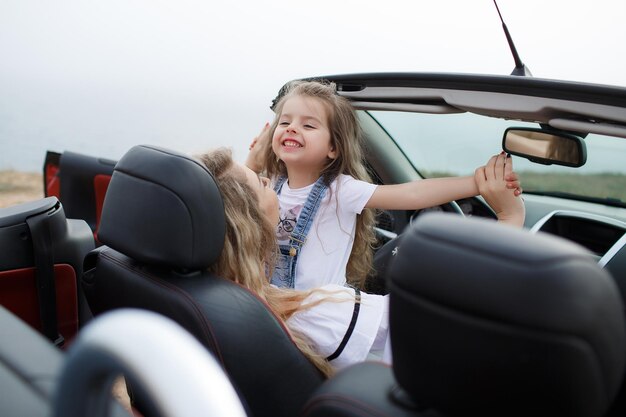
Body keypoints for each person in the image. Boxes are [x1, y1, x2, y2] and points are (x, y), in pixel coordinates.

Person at [198, 147, 525, 375]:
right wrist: (510, 219)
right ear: (249, 222)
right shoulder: (312, 312)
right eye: (263, 182)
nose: (272, 185)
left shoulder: (201, 295)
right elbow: (427, 321)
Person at [246, 80, 523, 291]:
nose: (292, 128)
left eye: (308, 126)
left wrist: (477, 182)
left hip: (321, 314)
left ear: (333, 148)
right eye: (284, 122)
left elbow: (412, 193)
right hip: (278, 306)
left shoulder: (340, 190)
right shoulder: (270, 187)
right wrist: (253, 162)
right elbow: (233, 202)